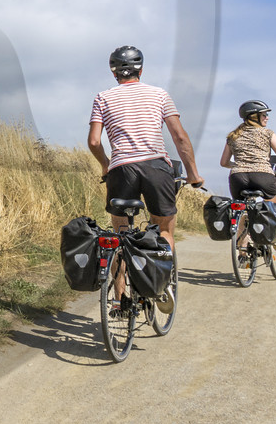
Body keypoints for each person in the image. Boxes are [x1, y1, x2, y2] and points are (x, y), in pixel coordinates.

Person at [87, 45, 204, 318]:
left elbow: (94, 141)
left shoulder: (102, 97)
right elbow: (180, 138)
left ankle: (119, 301)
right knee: (165, 230)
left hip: (121, 170)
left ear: (113, 71)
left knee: (119, 236)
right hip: (155, 168)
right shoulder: (160, 94)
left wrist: (106, 165)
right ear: (141, 70)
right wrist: (193, 173)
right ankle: (161, 286)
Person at [219, 100, 276, 251]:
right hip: (262, 175)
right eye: (264, 114)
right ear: (254, 116)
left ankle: (243, 252)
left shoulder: (232, 136)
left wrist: (240, 165)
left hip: (237, 177)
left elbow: (224, 162)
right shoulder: (267, 134)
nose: (267, 117)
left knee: (241, 210)